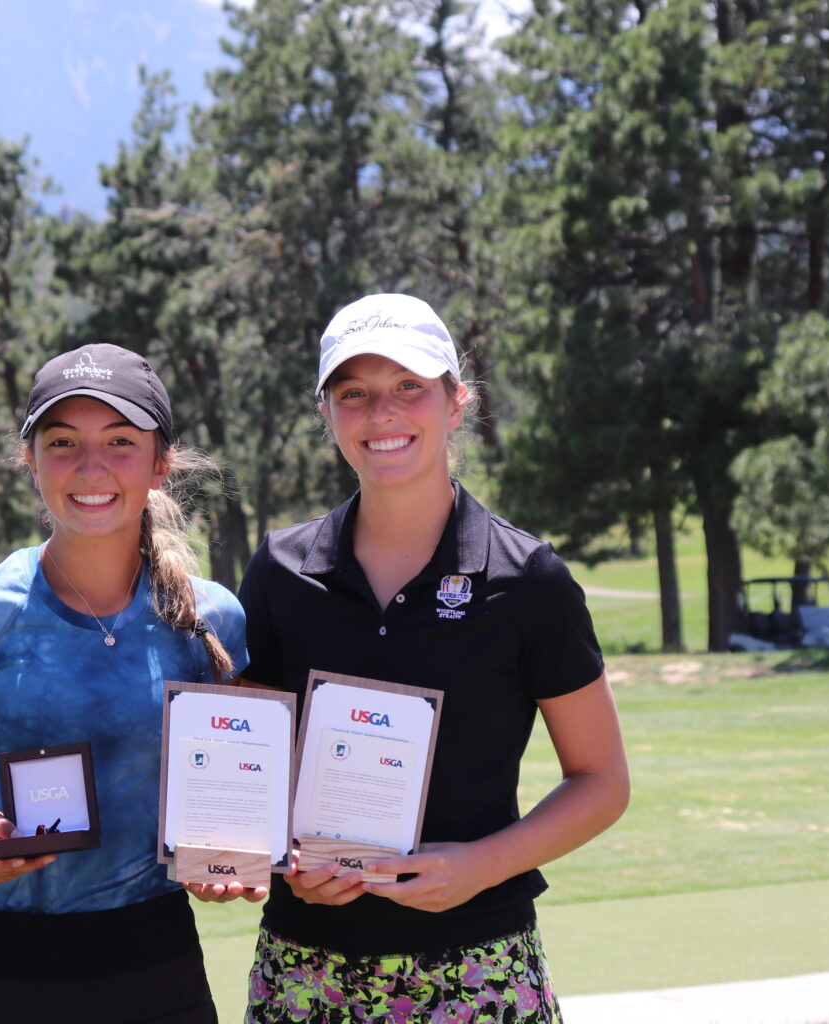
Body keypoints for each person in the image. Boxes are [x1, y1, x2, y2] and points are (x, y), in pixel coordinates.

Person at [235, 294, 630, 1023]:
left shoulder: (528, 578)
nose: (382, 414)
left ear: (456, 402)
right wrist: (283, 859)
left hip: (477, 965)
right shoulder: (277, 572)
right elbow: (246, 770)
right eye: (354, 394)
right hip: (305, 965)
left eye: (409, 387)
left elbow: (602, 781)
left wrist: (483, 864)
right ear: (327, 415)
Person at [0, 343, 248, 1024]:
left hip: (156, 964)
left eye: (120, 441)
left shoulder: (212, 618)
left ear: (161, 464)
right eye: (62, 441)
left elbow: (234, 795)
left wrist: (224, 857)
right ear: (29, 458)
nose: (91, 466)